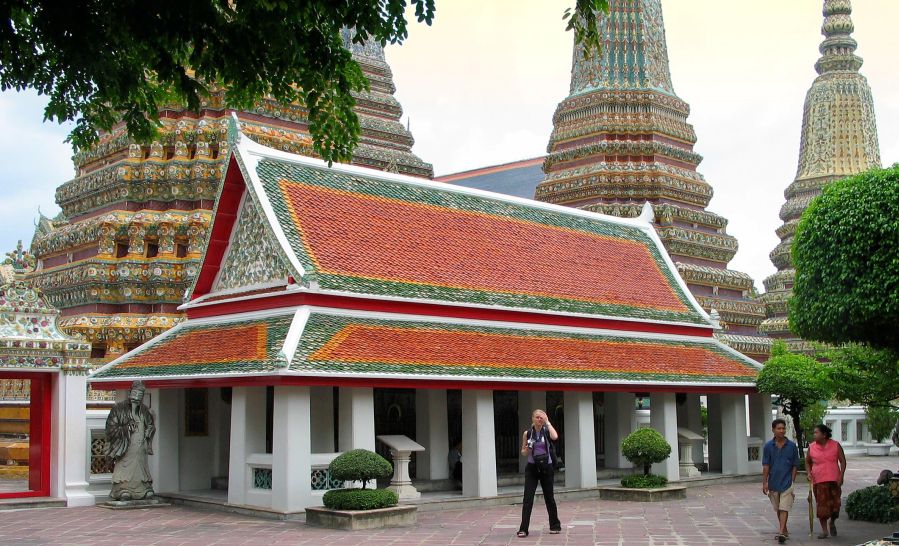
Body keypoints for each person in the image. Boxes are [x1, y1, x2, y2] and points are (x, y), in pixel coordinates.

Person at [105, 380, 157, 501]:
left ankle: (144, 489)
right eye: (135, 393)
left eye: (140, 395)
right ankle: (122, 490)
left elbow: (150, 424)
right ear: (130, 393)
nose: (137, 397)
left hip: (140, 446)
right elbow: (110, 428)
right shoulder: (118, 409)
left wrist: (149, 430)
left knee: (141, 467)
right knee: (125, 468)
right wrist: (126, 428)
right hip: (126, 445)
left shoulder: (144, 410)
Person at [517, 409, 561, 538]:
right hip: (532, 468)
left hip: (546, 467)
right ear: (532, 418)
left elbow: (555, 437)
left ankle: (555, 525)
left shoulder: (546, 431)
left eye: (541, 417)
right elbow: (523, 453)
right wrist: (527, 449)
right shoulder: (528, 433)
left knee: (549, 498)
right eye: (537, 417)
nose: (539, 419)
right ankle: (523, 529)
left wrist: (548, 422)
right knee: (527, 499)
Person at [762, 419, 800, 544]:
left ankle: (781, 532)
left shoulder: (791, 446)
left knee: (784, 507)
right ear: (773, 430)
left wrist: (792, 480)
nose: (782, 431)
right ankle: (784, 529)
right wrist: (765, 482)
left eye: (783, 428)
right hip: (773, 482)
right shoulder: (768, 446)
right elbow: (766, 465)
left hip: (787, 482)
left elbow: (795, 465)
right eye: (779, 428)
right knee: (778, 508)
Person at [806, 424, 846, 539]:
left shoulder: (835, 445)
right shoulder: (812, 447)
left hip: (834, 479)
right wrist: (809, 472)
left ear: (824, 434)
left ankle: (832, 522)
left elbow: (843, 461)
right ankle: (824, 531)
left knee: (836, 505)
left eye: (816, 432)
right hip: (819, 480)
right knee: (822, 506)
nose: (814, 434)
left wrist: (841, 475)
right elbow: (808, 462)